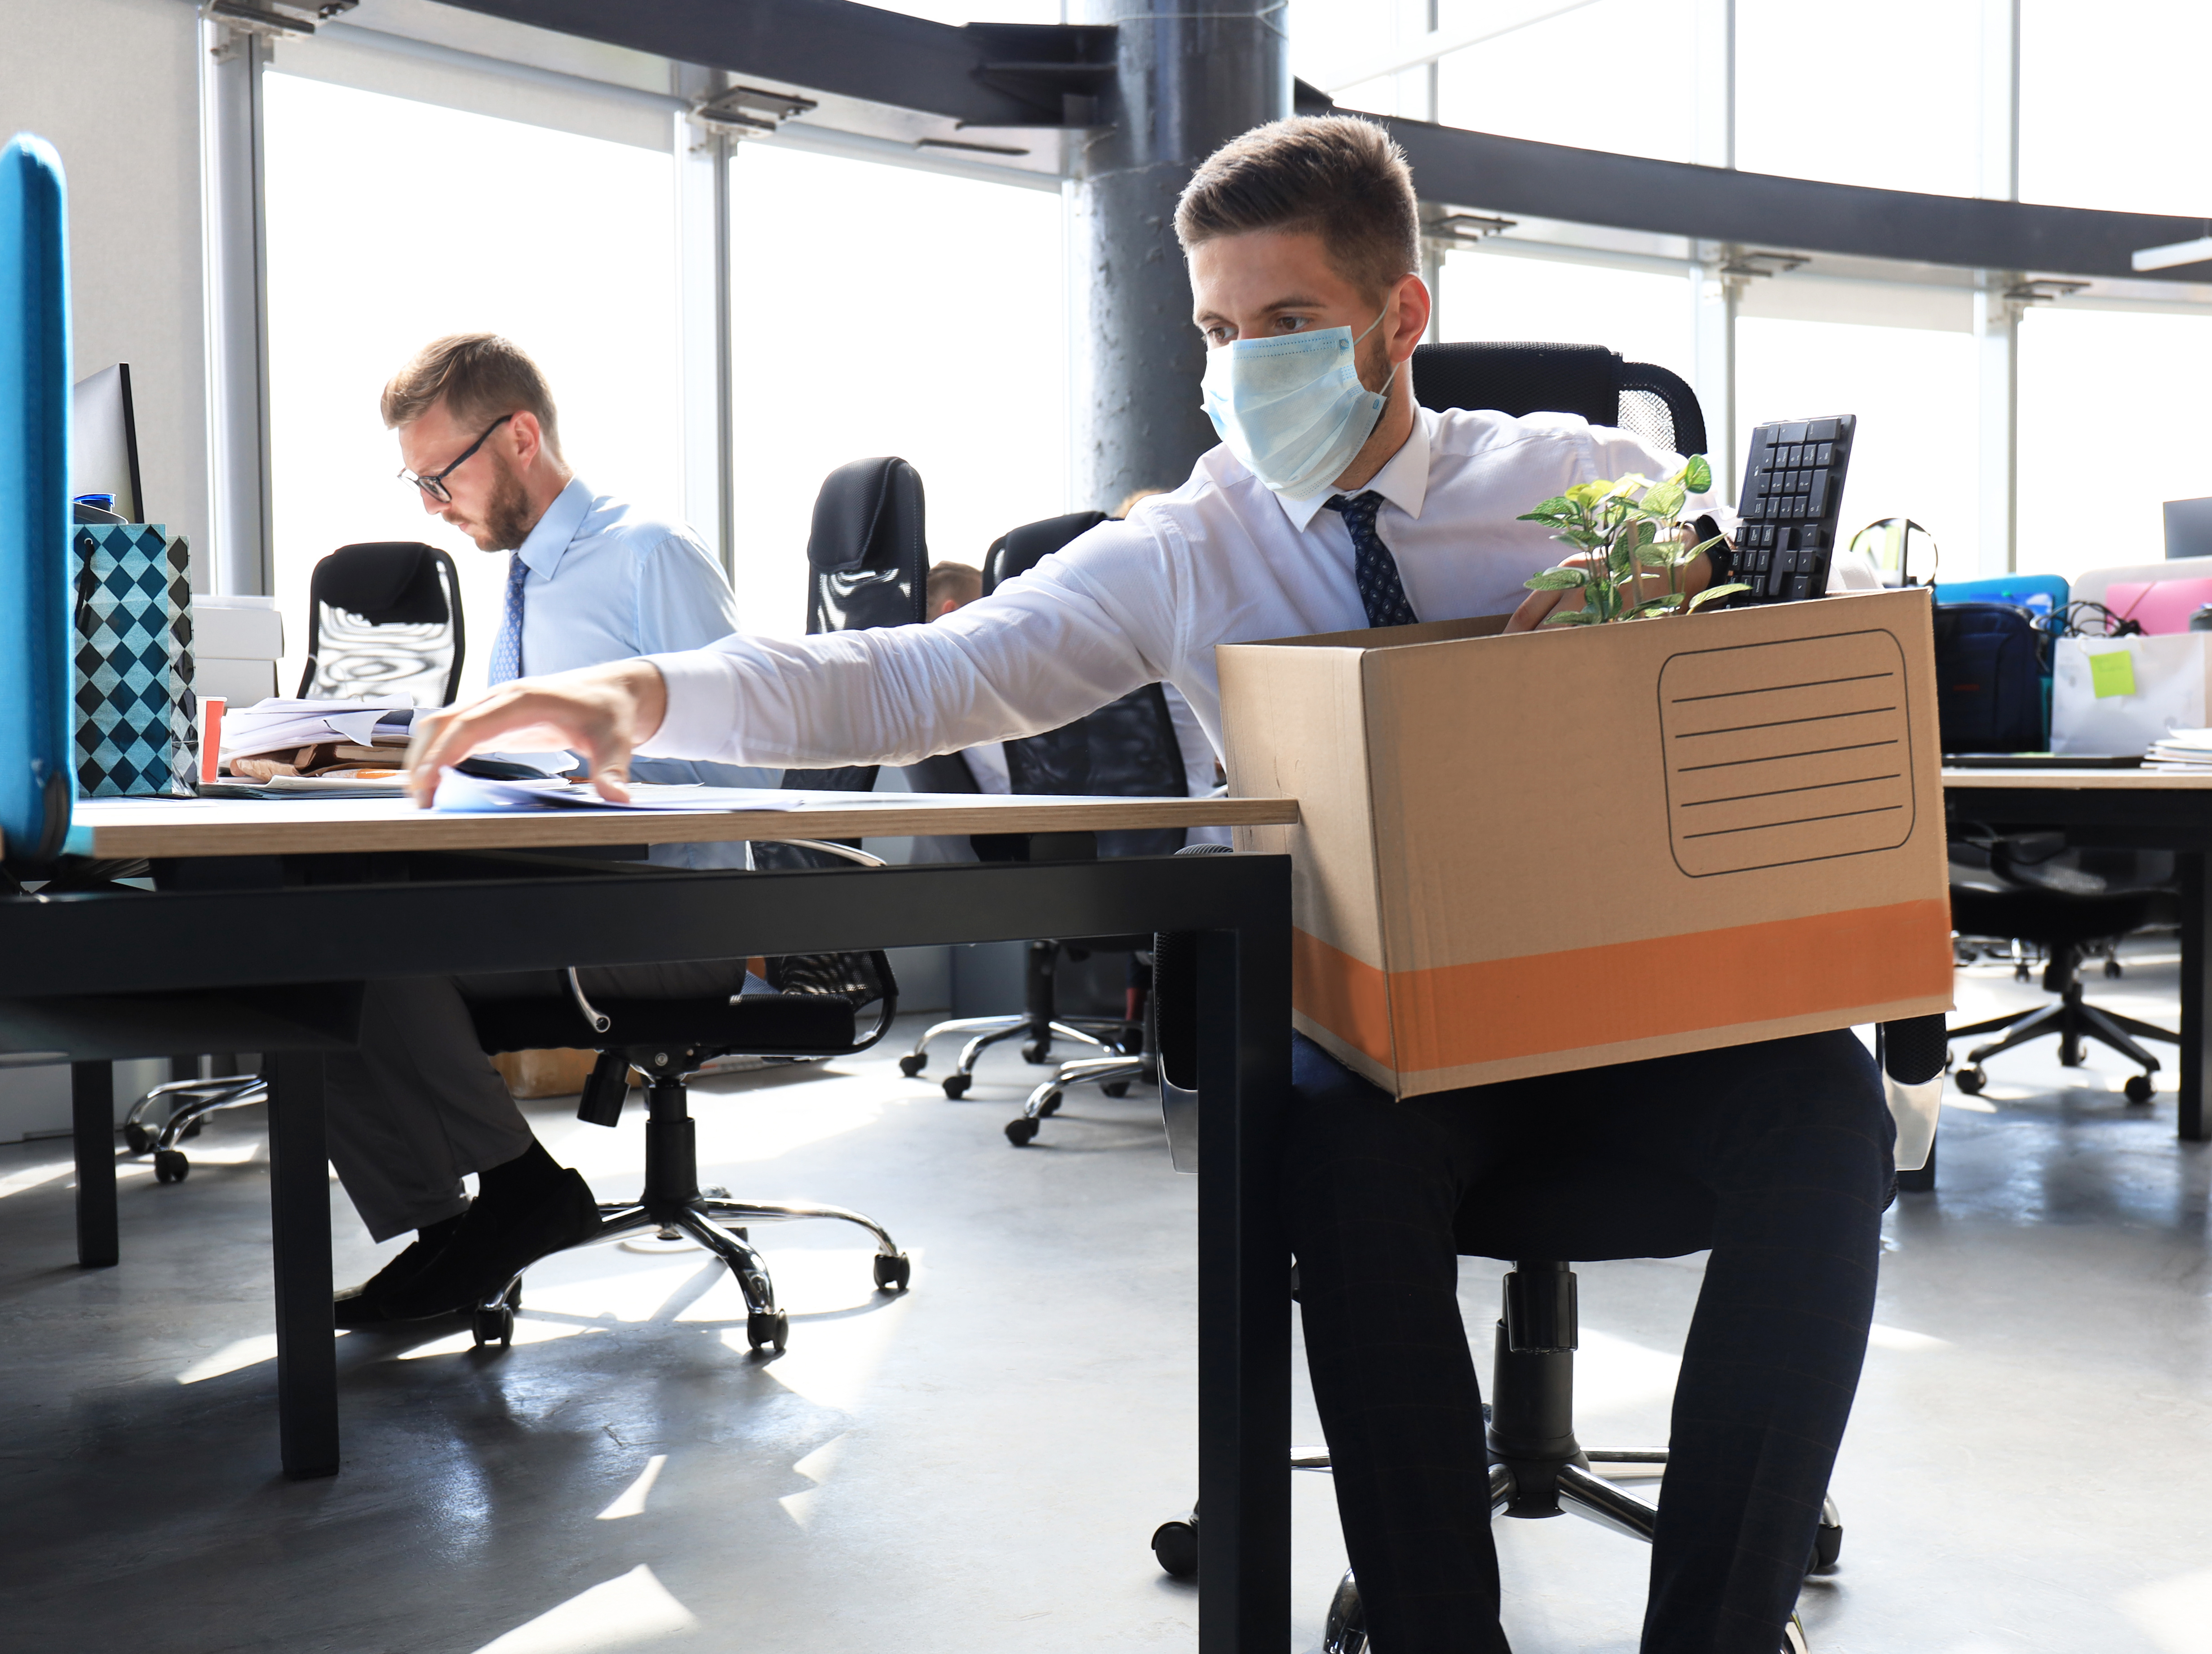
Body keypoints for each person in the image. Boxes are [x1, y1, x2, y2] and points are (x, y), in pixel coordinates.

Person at [401, 119, 1888, 1653]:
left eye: (1291, 325)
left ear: (1401, 318)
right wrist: (639, 695)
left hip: (1611, 996)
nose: (1247, 369)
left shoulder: (1581, 475)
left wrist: (1685, 575)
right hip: (1372, 1034)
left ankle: (1717, 1629)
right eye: (1218, 330)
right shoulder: (1185, 549)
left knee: (1827, 1112)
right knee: (1336, 1154)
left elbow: (1832, 598)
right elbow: (921, 674)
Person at [327, 335, 771, 1328]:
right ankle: (453, 1225)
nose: (432, 505)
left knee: (352, 935)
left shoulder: (647, 554)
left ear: (520, 435)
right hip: (564, 892)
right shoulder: (530, 578)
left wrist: (581, 764)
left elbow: (750, 761)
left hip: (672, 918)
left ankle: (516, 1192)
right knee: (310, 930)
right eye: (418, 481)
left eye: (442, 475)